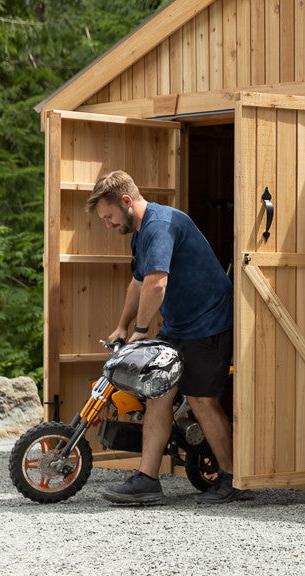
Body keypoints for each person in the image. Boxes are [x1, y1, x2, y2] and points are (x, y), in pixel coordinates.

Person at [86, 170, 241, 506]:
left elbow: (157, 284)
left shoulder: (160, 225)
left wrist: (141, 333)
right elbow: (140, 283)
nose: (108, 224)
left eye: (109, 216)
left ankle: (232, 479)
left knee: (201, 400)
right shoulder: (140, 232)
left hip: (208, 321)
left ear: (126, 202)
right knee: (157, 392)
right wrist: (123, 326)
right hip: (177, 324)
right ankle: (147, 479)